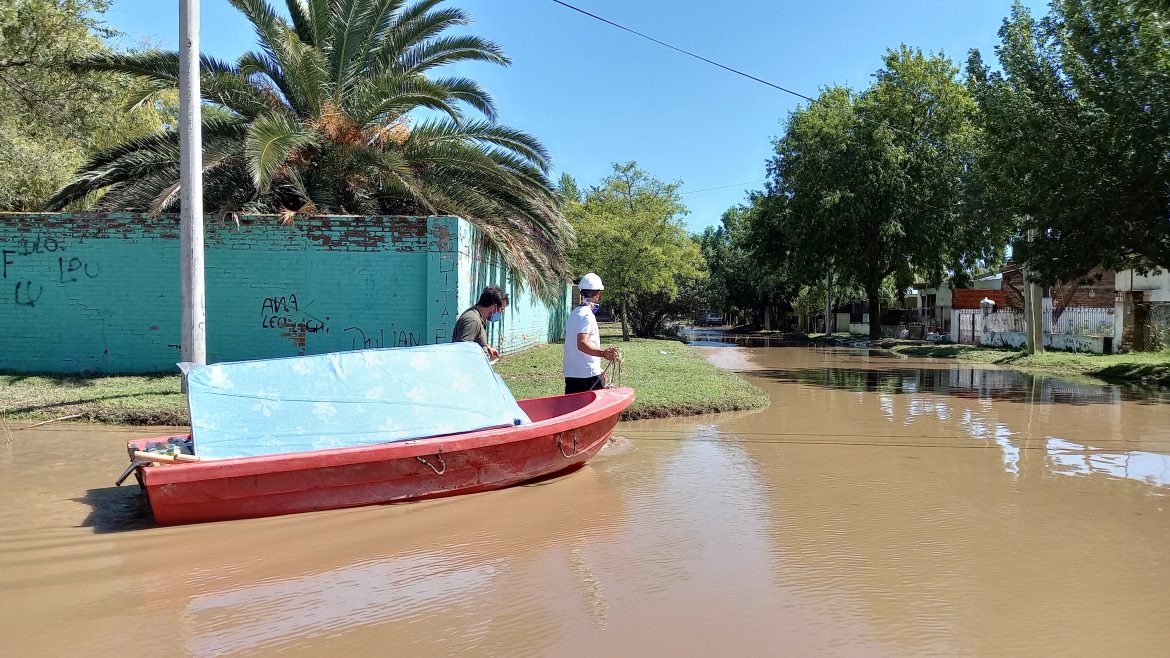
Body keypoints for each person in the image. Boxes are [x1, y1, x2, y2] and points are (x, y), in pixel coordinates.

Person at [564, 273, 619, 394]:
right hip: (587, 377)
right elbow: (582, 343)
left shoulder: (574, 314)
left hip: (572, 375)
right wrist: (603, 353)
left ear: (580, 293)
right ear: (598, 295)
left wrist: (598, 369)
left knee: (575, 412)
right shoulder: (587, 316)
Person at [452, 286, 508, 360]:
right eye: (501, 309)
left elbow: (473, 342)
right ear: (494, 307)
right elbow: (462, 351)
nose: (500, 313)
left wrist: (486, 347)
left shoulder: (479, 317)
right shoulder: (473, 320)